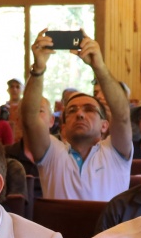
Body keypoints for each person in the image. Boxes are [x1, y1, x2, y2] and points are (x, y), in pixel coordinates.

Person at [21, 30, 132, 201]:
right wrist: (38, 68)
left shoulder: (115, 152)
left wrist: (99, 67)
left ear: (105, 125)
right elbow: (30, 118)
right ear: (63, 127)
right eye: (72, 111)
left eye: (89, 109)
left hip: (110, 221)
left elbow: (122, 115)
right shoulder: (52, 153)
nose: (79, 114)